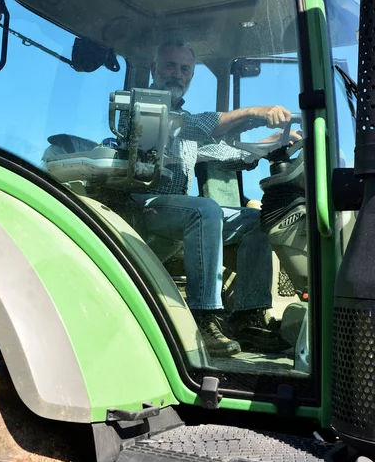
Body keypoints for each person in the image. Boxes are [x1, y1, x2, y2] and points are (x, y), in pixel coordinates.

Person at [124, 41, 294, 357]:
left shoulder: (185, 124)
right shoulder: (141, 107)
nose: (178, 74)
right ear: (154, 69)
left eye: (185, 69)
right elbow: (194, 129)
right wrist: (253, 112)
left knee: (258, 219)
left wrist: (269, 143)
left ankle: (247, 317)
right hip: (140, 211)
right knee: (205, 210)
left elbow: (223, 152)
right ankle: (204, 317)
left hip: (175, 215)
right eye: (170, 66)